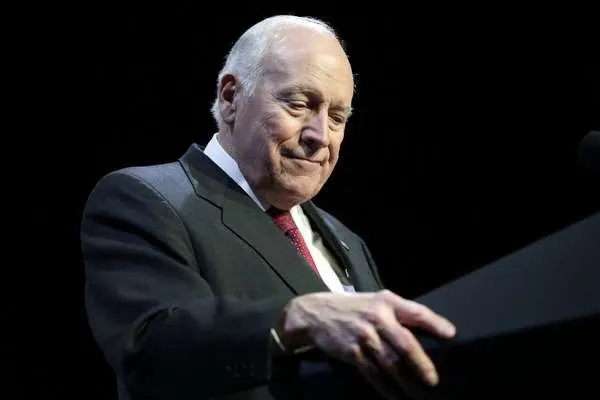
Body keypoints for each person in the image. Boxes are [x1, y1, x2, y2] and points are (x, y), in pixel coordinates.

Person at [81, 15, 457, 400]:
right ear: (231, 98)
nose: (320, 136)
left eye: (337, 118)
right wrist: (295, 318)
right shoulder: (146, 198)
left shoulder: (347, 240)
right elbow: (149, 350)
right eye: (299, 104)